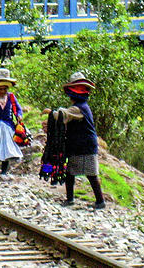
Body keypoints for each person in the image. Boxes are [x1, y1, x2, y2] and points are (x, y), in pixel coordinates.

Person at [55, 72, 105, 209]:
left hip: (84, 145)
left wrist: (50, 113)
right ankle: (73, 198)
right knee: (73, 172)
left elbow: (62, 115)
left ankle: (99, 201)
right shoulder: (82, 107)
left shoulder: (78, 109)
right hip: (79, 144)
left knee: (89, 174)